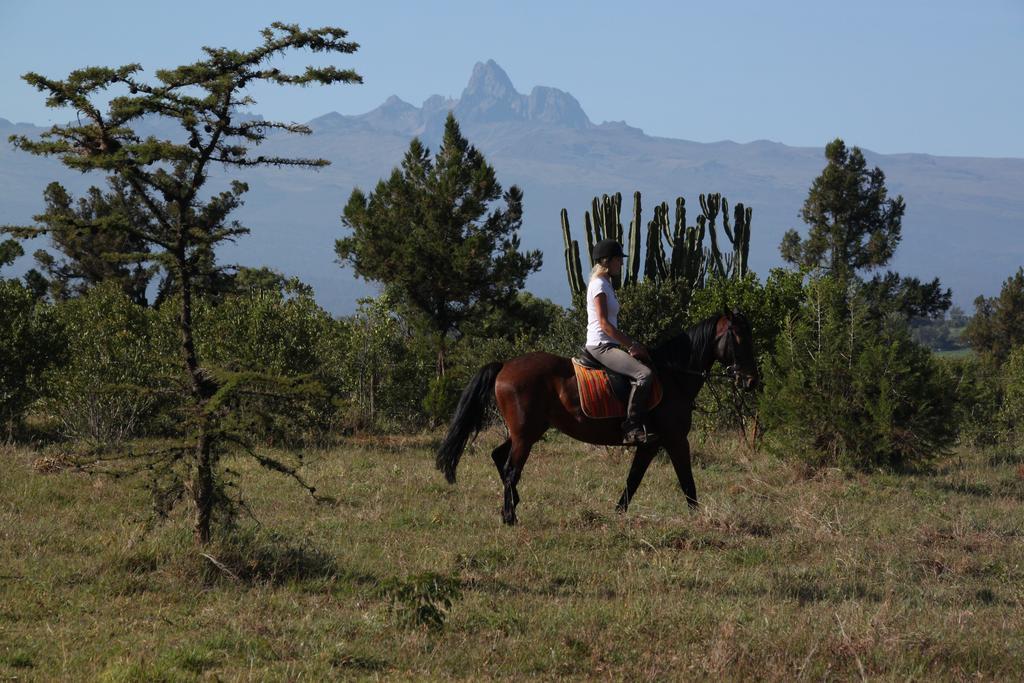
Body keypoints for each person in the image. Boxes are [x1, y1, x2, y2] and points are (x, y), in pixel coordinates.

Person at [585, 239, 656, 444]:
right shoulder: (599, 284)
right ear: (606, 261)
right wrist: (631, 345)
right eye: (618, 260)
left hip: (609, 344)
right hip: (601, 345)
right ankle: (631, 428)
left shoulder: (606, 283)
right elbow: (605, 325)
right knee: (644, 374)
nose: (622, 264)